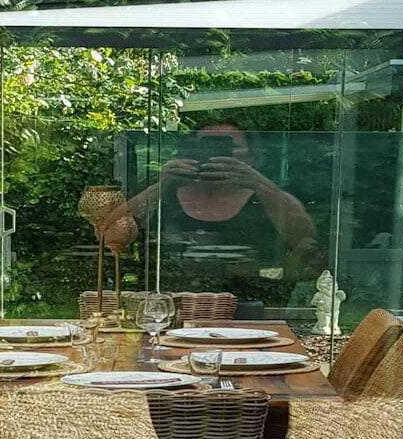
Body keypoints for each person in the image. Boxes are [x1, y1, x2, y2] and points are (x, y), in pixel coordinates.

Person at [121, 120, 320, 304]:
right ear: (190, 152)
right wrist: (162, 184)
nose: (215, 152)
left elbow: (306, 240)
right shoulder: (164, 194)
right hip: (170, 306)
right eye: (205, 145)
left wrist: (258, 182)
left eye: (229, 146)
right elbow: (113, 235)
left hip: (254, 304)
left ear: (253, 156)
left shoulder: (267, 196)